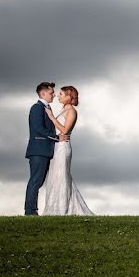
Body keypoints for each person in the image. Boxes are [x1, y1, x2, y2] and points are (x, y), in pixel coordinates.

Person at [42, 85, 94, 216]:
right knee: (55, 177)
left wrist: (52, 117)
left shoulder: (71, 111)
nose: (58, 96)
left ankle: (62, 209)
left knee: (61, 177)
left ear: (69, 97)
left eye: (61, 94)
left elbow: (65, 130)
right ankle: (53, 207)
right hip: (56, 146)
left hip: (63, 147)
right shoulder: (63, 109)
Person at [24, 82, 64, 215]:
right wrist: (56, 138)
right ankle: (30, 211)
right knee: (35, 181)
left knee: (38, 182)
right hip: (38, 151)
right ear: (43, 93)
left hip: (45, 151)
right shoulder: (36, 108)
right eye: (51, 92)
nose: (54, 95)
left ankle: (31, 210)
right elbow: (38, 128)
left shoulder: (47, 108)